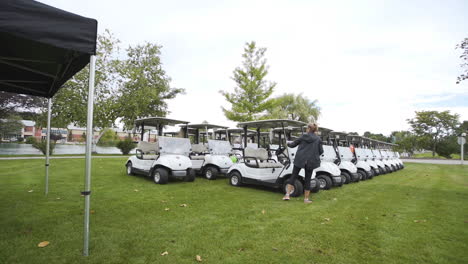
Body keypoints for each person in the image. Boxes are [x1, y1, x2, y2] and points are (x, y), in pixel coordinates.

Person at [283, 123, 323, 203]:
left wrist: (287, 143)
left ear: (308, 129)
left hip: (300, 159)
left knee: (293, 176)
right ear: (315, 130)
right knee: (307, 179)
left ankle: (287, 195)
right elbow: (321, 151)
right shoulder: (318, 139)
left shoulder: (303, 136)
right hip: (311, 161)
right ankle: (306, 199)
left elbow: (293, 145)